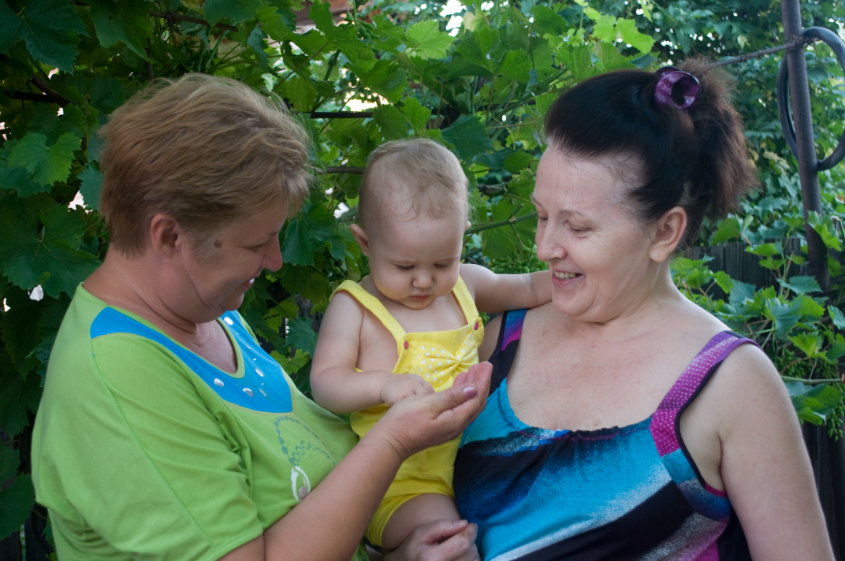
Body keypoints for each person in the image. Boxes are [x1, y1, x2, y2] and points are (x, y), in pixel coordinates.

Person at [30, 74, 491, 561]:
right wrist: (394, 439)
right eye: (255, 243)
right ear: (169, 237)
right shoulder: (120, 377)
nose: (274, 260)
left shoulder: (206, 312)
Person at [453, 60, 836, 560]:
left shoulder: (734, 384)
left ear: (664, 232)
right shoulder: (497, 339)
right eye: (542, 216)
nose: (545, 247)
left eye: (578, 227)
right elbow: (411, 494)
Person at [310, 138, 552, 552]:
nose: (424, 281)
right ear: (366, 243)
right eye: (404, 266)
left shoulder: (466, 286)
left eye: (443, 262)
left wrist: (579, 278)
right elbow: (326, 383)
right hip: (401, 484)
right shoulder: (357, 308)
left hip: (474, 454)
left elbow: (529, 287)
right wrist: (382, 385)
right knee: (451, 538)